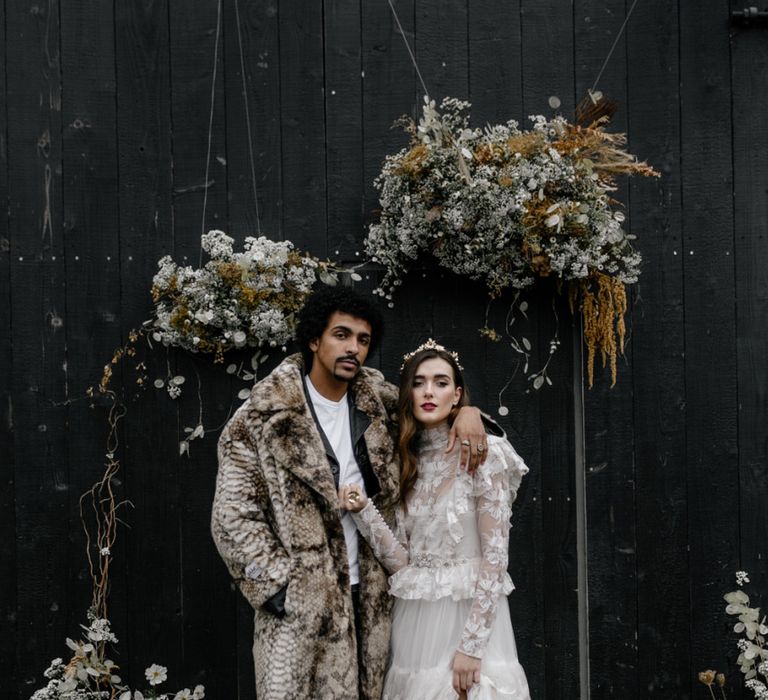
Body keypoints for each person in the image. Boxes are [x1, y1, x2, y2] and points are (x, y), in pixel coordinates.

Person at [210, 285, 494, 700]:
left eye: (362, 340)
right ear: (313, 339)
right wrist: (280, 590)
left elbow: (433, 408)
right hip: (304, 608)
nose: (353, 348)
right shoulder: (261, 416)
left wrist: (469, 411)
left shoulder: (378, 404)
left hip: (378, 600)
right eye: (341, 335)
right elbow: (233, 516)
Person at [339, 339, 531, 700]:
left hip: (469, 624)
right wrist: (363, 510)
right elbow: (403, 565)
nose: (429, 391)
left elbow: (495, 559)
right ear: (407, 393)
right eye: (419, 382)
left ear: (457, 395)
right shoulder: (405, 462)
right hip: (414, 628)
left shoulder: (484, 454)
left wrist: (471, 647)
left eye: (441, 383)